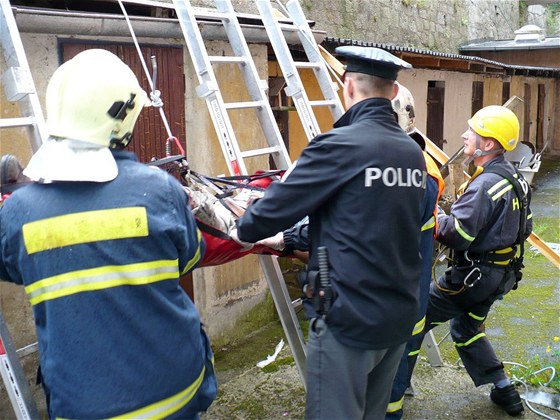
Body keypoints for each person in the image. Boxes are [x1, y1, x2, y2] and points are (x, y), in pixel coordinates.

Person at [0, 49, 216, 419]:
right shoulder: (161, 191)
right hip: (179, 393)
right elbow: (190, 257)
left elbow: (12, 268)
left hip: (83, 405)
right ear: (125, 118)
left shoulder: (18, 213)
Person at [234, 46, 428, 419]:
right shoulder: (411, 153)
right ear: (392, 92)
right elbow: (364, 221)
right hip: (397, 315)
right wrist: (295, 237)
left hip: (350, 323)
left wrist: (244, 213)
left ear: (348, 87)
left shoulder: (338, 146)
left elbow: (257, 223)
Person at [407, 105, 532, 417]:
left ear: (487, 144)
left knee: (413, 321)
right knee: (466, 328)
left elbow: (456, 234)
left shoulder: (484, 186)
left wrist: (431, 206)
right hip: (501, 275)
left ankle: (394, 387)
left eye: (471, 131)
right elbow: (526, 227)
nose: (464, 135)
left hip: (471, 279)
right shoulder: (514, 178)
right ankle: (505, 391)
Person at [386, 84, 445, 419]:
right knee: (404, 353)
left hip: (393, 290)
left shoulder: (399, 172)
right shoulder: (426, 165)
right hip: (415, 286)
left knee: (388, 370)